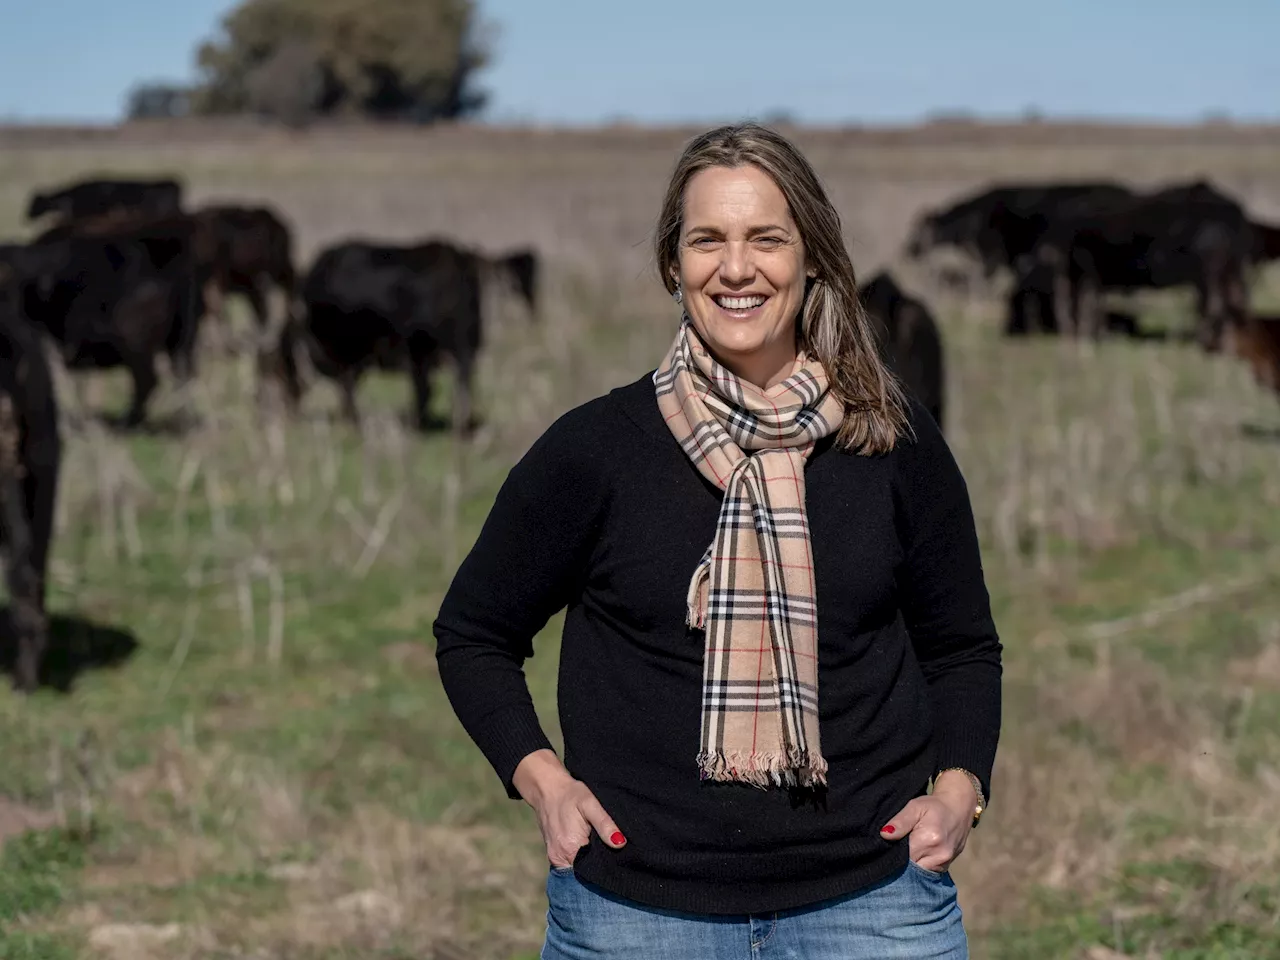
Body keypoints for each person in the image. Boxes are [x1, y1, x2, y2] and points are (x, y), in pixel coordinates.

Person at [434, 122, 1003, 959]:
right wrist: (542, 782)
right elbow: (474, 634)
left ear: (811, 257)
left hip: (872, 909)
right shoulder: (596, 450)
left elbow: (961, 648)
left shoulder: (891, 440)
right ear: (674, 265)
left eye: (766, 239)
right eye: (708, 240)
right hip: (636, 916)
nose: (737, 268)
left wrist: (960, 790)